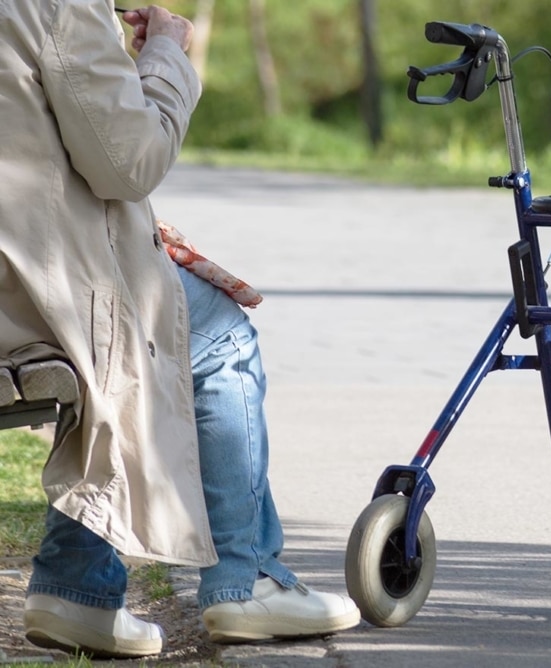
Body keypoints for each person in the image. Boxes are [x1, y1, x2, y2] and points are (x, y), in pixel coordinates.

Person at [0, 2, 359, 658]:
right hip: (26, 298)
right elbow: (128, 162)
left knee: (158, 310)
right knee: (218, 334)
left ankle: (78, 585)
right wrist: (167, 54)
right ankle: (242, 580)